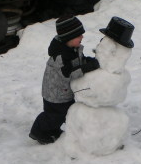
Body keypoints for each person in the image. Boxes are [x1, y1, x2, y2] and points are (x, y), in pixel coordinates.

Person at [29, 15, 100, 144]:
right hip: (55, 94)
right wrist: (85, 68)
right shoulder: (61, 57)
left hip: (63, 91)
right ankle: (39, 131)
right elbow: (70, 74)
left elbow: (78, 61)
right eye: (79, 35)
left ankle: (52, 130)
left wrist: (88, 62)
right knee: (54, 116)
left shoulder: (72, 48)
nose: (82, 37)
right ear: (69, 37)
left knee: (63, 114)